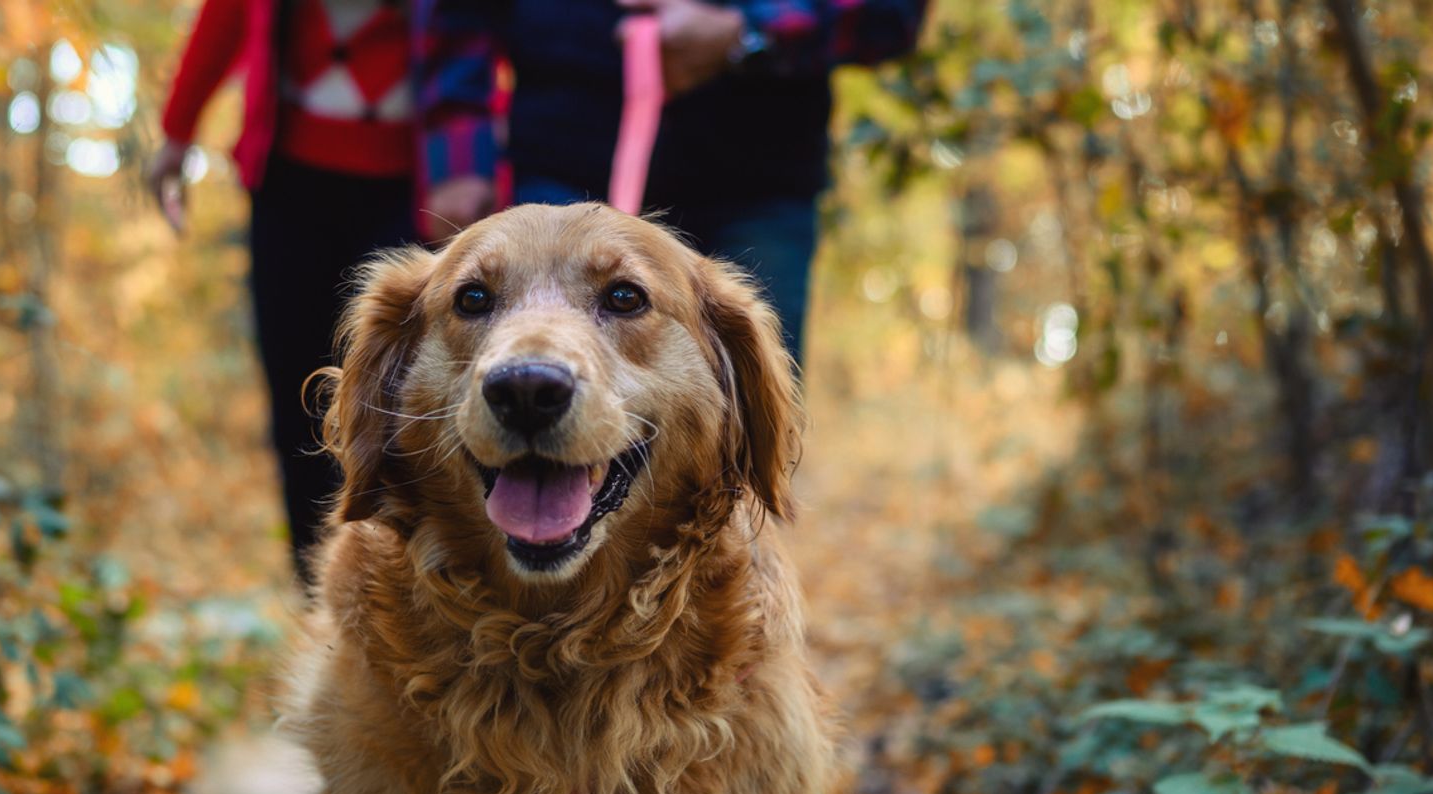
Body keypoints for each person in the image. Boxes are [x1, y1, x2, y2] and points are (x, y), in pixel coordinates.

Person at [151, 0, 486, 582]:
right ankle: (321, 602)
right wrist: (177, 131)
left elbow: (478, 31)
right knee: (299, 416)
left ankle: (423, 592)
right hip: (288, 183)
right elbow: (228, 14)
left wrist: (477, 163)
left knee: (410, 410)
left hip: (419, 188)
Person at [418, 0, 930, 363]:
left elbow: (891, 12)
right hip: (557, 179)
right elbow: (460, 19)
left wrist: (745, 31)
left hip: (757, 193)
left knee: (743, 430)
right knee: (541, 387)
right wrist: (457, 160)